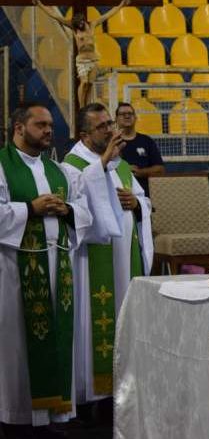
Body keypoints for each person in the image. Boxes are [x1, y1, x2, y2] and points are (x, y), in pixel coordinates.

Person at [0, 102, 100, 435]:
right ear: (19, 128)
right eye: (40, 125)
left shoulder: (60, 171)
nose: (48, 131)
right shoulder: (2, 166)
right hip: (14, 272)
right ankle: (17, 416)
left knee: (56, 337)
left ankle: (52, 416)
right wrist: (30, 208)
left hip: (59, 269)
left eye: (49, 126)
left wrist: (67, 209)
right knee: (17, 347)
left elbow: (85, 212)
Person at [62, 103, 154, 410]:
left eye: (110, 124)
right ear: (85, 134)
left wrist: (137, 204)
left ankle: (121, 390)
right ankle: (91, 396)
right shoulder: (72, 164)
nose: (111, 130)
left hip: (124, 257)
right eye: (102, 126)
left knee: (124, 318)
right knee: (96, 323)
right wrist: (102, 163)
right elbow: (77, 203)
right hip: (92, 263)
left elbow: (143, 201)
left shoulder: (121, 165)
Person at [33, 0, 130, 106]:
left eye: (82, 23)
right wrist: (40, 5)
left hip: (93, 59)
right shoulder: (74, 28)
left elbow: (107, 15)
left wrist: (121, 5)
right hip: (82, 60)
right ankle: (81, 106)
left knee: (90, 83)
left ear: (84, 21)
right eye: (78, 25)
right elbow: (55, 16)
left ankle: (87, 104)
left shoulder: (92, 25)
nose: (80, 26)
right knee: (83, 82)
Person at [116, 102, 164, 195]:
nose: (127, 116)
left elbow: (160, 169)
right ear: (116, 119)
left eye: (130, 114)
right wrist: (124, 170)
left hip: (144, 197)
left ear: (135, 118)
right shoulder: (111, 142)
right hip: (119, 196)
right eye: (122, 114)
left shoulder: (146, 141)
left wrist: (140, 172)